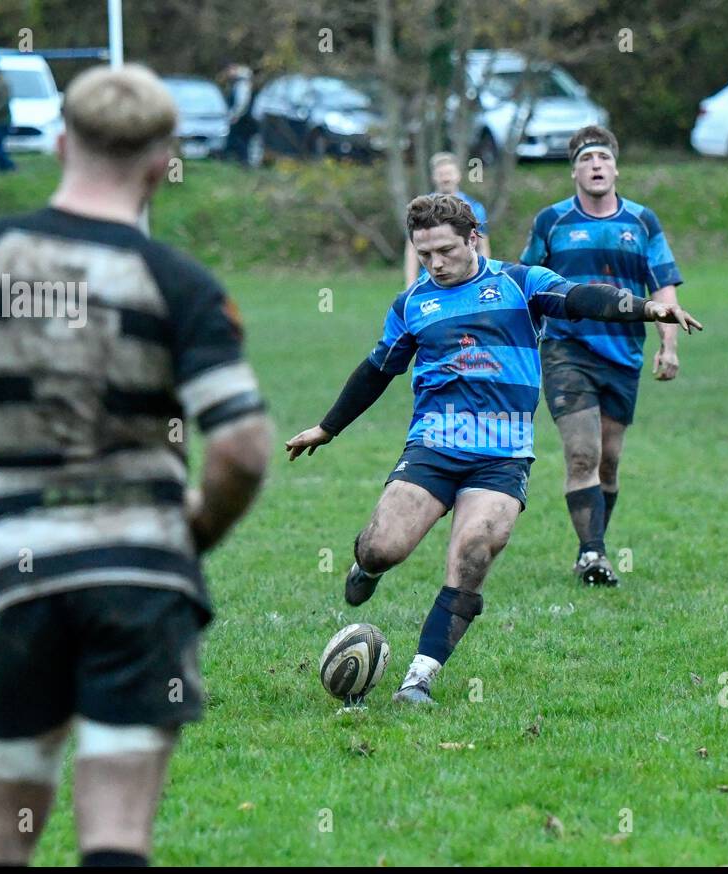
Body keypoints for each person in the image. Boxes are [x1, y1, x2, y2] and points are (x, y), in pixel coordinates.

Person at [0, 64, 272, 866]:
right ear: (163, 161)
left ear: (58, 143)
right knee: (115, 835)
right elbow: (244, 447)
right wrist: (196, 530)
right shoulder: (177, 283)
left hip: (18, 568)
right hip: (143, 575)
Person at [287, 193, 697, 704]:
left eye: (445, 250)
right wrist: (327, 428)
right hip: (434, 447)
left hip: (502, 457)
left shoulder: (521, 283)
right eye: (424, 253)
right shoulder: (413, 303)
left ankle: (420, 678)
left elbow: (579, 298)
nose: (435, 264)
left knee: (476, 550)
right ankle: (366, 567)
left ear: (472, 238)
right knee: (383, 546)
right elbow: (377, 370)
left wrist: (647, 309)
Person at [520, 126, 685, 586]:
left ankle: (589, 547)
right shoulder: (551, 222)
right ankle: (594, 555)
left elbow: (663, 286)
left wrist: (667, 345)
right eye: (587, 159)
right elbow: (526, 281)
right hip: (565, 351)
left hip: (624, 355)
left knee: (608, 460)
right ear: (574, 170)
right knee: (581, 455)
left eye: (603, 158)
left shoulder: (642, 222)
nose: (596, 166)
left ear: (615, 168)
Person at [403, 151, 491, 286]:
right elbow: (411, 249)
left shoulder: (474, 207)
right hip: (431, 282)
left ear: (458, 175)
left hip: (466, 280)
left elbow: (482, 246)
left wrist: (484, 278)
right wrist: (410, 284)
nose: (445, 178)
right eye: (441, 174)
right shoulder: (421, 209)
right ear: (433, 177)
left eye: (449, 173)